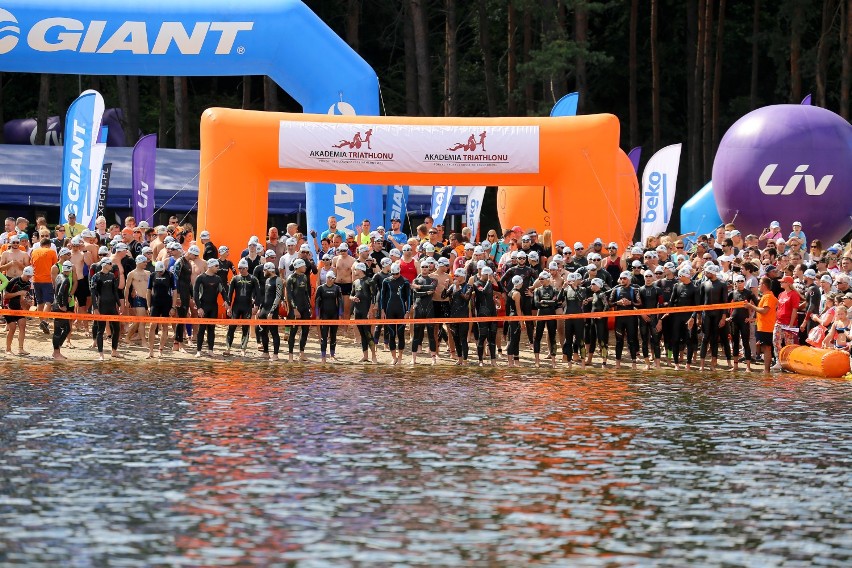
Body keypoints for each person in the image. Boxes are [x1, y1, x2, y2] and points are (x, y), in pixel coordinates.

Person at [698, 263, 732, 371]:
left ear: (713, 273)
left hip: (717, 315)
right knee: (705, 338)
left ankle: (713, 364)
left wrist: (723, 318)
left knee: (714, 338)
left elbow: (725, 302)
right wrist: (699, 317)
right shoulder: (704, 284)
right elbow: (701, 302)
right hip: (706, 314)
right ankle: (702, 365)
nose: (706, 274)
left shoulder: (722, 284)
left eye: (707, 272)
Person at [225, 259, 260, 357]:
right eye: (239, 268)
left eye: (243, 268)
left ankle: (243, 349)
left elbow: (258, 294)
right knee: (231, 327)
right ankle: (228, 348)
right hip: (236, 306)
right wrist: (228, 307)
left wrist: (256, 306)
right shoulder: (235, 278)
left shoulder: (253, 279)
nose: (241, 270)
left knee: (245, 328)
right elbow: (230, 294)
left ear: (247, 268)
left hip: (247, 307)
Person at [193, 258, 228, 358]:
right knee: (202, 329)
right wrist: (199, 307)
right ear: (211, 266)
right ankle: (199, 350)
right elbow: (195, 294)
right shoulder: (201, 278)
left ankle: (210, 350)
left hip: (213, 306)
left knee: (212, 329)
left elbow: (223, 291)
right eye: (216, 266)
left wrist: (226, 301)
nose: (218, 268)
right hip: (203, 306)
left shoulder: (217, 278)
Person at [667, 268, 699, 370]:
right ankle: (676, 364)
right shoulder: (677, 286)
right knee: (675, 340)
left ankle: (688, 364)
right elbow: (671, 302)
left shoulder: (694, 288)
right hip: (677, 317)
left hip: (688, 317)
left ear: (685, 276)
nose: (679, 278)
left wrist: (693, 318)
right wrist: (668, 313)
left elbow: (697, 306)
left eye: (680, 276)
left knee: (689, 341)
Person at [380, 262, 411, 365]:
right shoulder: (386, 281)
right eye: (393, 274)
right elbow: (382, 297)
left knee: (401, 334)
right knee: (391, 334)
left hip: (401, 310)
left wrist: (407, 311)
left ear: (399, 272)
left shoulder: (405, 282)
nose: (395, 276)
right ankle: (394, 357)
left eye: (397, 274)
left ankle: (400, 357)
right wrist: (382, 310)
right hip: (389, 310)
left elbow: (409, 298)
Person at [91, 258, 121, 361]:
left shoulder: (112, 275)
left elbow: (115, 291)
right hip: (101, 305)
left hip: (112, 305)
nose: (111, 265)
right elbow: (93, 293)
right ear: (104, 265)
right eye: (109, 263)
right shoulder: (96, 276)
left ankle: (114, 351)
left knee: (116, 328)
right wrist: (95, 308)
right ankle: (101, 354)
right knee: (101, 330)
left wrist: (119, 304)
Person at [746, 277, 778, 374]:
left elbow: (765, 311)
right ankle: (766, 369)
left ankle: (766, 370)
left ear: (764, 285)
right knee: (763, 346)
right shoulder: (766, 296)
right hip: (763, 326)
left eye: (760, 284)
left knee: (766, 348)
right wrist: (754, 319)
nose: (758, 286)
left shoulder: (768, 297)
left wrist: (751, 306)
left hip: (766, 327)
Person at [609, 271, 640, 369]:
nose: (622, 280)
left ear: (629, 279)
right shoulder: (616, 290)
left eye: (624, 278)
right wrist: (618, 303)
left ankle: (634, 363)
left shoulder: (634, 290)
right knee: (619, 341)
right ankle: (617, 363)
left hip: (631, 319)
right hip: (619, 319)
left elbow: (639, 303)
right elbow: (609, 303)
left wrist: (630, 303)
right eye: (621, 278)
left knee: (632, 340)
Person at [470, 266, 500, 366]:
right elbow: (483, 291)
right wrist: (489, 281)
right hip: (482, 312)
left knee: (492, 337)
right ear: (483, 274)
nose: (489, 277)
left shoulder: (490, 283)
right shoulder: (477, 283)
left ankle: (493, 360)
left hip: (492, 312)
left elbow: (500, 289)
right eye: (487, 275)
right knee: (482, 337)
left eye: (490, 275)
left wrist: (498, 281)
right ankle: (480, 360)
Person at [410, 258, 438, 365]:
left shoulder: (433, 279)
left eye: (426, 267)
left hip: (429, 309)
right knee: (417, 334)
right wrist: (427, 292)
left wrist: (420, 287)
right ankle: (413, 358)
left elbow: (433, 287)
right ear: (420, 268)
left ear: (429, 268)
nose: (425, 269)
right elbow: (416, 294)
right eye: (423, 267)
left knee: (431, 334)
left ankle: (433, 358)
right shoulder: (416, 279)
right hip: (419, 308)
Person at [147, 261, 176, 358]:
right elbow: (149, 291)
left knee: (165, 326)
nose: (159, 273)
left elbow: (174, 292)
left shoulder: (170, 275)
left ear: (164, 269)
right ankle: (150, 351)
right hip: (155, 303)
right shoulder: (152, 275)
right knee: (152, 325)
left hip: (166, 303)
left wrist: (173, 306)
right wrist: (148, 305)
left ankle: (160, 350)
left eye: (161, 272)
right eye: (158, 272)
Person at [444, 268, 472, 365]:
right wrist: (446, 286)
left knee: (463, 338)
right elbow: (444, 296)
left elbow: (466, 298)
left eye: (457, 276)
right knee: (456, 338)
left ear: (462, 276)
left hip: (463, 316)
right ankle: (459, 358)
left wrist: (459, 289)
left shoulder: (468, 286)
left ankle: (465, 360)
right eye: (454, 276)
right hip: (453, 316)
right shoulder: (452, 286)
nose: (455, 277)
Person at [30, 236, 58, 335]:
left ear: (40, 244)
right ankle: (45, 321)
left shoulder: (34, 252)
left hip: (36, 279)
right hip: (47, 280)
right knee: (48, 301)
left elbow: (32, 264)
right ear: (49, 245)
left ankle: (41, 321)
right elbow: (55, 266)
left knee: (39, 302)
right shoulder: (52, 252)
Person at [350, 262, 378, 363]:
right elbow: (350, 295)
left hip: (366, 310)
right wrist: (353, 298)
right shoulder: (355, 282)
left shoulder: (369, 281)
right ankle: (365, 356)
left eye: (355, 270)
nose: (354, 271)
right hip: (358, 310)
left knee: (368, 333)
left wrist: (370, 311)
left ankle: (374, 356)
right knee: (362, 334)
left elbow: (374, 297)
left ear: (360, 270)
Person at [772, 275, 801, 369]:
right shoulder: (781, 294)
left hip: (788, 322)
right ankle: (779, 361)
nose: (780, 283)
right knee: (776, 341)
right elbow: (779, 307)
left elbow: (794, 309)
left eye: (782, 282)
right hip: (779, 322)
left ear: (788, 283)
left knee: (789, 343)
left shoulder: (794, 294)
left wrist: (791, 324)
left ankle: (789, 362)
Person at [286, 258, 312, 362]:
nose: (305, 267)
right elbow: (290, 295)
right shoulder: (291, 278)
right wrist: (294, 309)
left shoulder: (304, 277)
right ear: (298, 267)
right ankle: (290, 356)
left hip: (304, 307)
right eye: (304, 266)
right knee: (293, 332)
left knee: (305, 330)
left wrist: (309, 307)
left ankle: (302, 353)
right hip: (295, 308)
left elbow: (306, 293)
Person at [256, 262, 283, 361]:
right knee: (262, 331)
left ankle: (275, 354)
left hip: (272, 310)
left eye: (264, 270)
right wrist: (260, 308)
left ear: (269, 270)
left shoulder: (278, 280)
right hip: (264, 309)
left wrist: (272, 311)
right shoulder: (267, 280)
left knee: (274, 332)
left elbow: (278, 297)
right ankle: (266, 352)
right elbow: (265, 296)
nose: (263, 272)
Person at [637, 270, 664, 369]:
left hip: (654, 319)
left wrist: (660, 321)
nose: (648, 278)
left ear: (653, 277)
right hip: (643, 318)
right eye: (646, 276)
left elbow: (661, 306)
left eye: (650, 276)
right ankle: (647, 364)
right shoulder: (640, 289)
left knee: (656, 341)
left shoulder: (658, 290)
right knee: (644, 341)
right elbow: (637, 305)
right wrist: (642, 313)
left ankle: (657, 364)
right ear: (644, 277)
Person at [728, 274, 755, 371]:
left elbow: (758, 305)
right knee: (735, 342)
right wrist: (727, 317)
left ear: (744, 282)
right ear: (735, 283)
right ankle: (735, 366)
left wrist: (753, 318)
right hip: (734, 320)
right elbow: (725, 306)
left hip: (744, 320)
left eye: (741, 281)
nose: (739, 283)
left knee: (745, 342)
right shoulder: (732, 293)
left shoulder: (749, 293)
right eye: (738, 281)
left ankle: (748, 367)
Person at [532, 271, 559, 367]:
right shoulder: (537, 290)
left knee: (552, 338)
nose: (540, 280)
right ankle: (537, 361)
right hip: (541, 314)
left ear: (548, 279)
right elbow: (536, 304)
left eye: (542, 279)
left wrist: (543, 301)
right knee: (537, 337)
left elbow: (556, 303)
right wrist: (549, 302)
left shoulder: (554, 289)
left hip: (551, 315)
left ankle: (553, 361)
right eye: (539, 279)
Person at [315, 270, 343, 363]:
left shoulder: (337, 288)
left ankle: (332, 354)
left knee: (333, 335)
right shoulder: (321, 288)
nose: (333, 280)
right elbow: (317, 302)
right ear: (328, 278)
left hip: (334, 314)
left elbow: (340, 302)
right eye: (331, 278)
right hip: (324, 314)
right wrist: (317, 315)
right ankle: (323, 356)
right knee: (324, 335)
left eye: (334, 279)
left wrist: (340, 314)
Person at [4, 266, 32, 356]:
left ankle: (20, 349)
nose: (29, 278)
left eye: (30, 276)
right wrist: (18, 293)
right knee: (12, 328)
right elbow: (5, 296)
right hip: (8, 306)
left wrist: (28, 302)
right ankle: (8, 349)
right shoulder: (14, 281)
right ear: (23, 273)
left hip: (18, 306)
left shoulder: (28, 284)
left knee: (23, 325)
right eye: (27, 276)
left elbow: (24, 298)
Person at [125, 255, 151, 344]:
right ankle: (143, 341)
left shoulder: (148, 273)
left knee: (138, 321)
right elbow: (127, 288)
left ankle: (127, 337)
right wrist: (126, 300)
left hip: (147, 299)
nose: (146, 263)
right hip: (138, 298)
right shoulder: (132, 274)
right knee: (142, 321)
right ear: (139, 262)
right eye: (144, 262)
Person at [51, 261, 74, 360]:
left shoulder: (58, 276)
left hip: (56, 305)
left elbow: (58, 291)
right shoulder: (66, 280)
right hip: (60, 307)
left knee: (63, 329)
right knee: (60, 330)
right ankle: (56, 353)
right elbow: (60, 293)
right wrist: (62, 305)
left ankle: (57, 351)